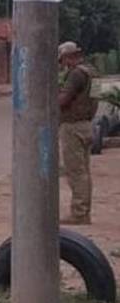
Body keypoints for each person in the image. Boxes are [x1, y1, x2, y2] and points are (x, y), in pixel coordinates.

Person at [58, 41, 97, 225]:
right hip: (88, 125)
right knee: (84, 171)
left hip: (73, 126)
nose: (63, 63)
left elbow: (63, 100)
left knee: (75, 172)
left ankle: (79, 213)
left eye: (63, 59)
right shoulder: (91, 71)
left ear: (68, 56)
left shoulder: (76, 74)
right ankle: (84, 210)